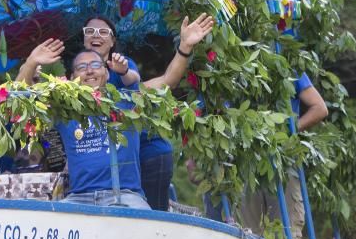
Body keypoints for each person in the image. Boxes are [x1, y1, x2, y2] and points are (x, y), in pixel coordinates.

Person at [19, 14, 215, 208]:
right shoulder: (64, 106)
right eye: (82, 67)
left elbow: (166, 81)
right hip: (79, 198)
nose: (89, 71)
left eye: (96, 65)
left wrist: (185, 47)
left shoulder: (126, 97)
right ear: (71, 77)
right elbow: (19, 99)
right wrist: (31, 62)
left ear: (107, 72)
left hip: (126, 192)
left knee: (148, 225)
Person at [239, 73, 329, 239]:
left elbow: (320, 108)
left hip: (283, 162)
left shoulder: (288, 66)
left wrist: (287, 133)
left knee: (286, 234)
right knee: (249, 235)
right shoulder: (240, 70)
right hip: (249, 164)